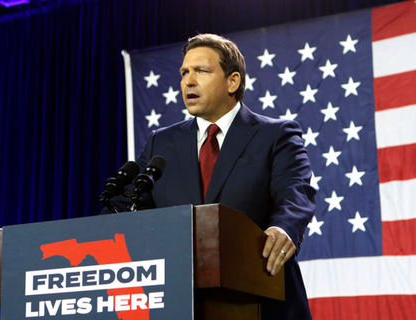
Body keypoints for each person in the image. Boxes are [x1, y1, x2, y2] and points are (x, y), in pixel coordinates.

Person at [110, 33, 316, 319]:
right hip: (180, 299)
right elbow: (129, 202)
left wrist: (284, 228)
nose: (188, 81)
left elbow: (295, 192)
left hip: (260, 297)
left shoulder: (275, 135)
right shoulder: (162, 143)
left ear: (232, 81)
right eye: (184, 73)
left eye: (201, 71)